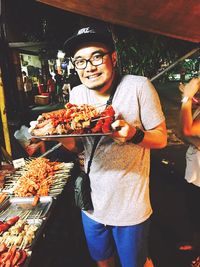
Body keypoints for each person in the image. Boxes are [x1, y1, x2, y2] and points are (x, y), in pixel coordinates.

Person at [57, 23, 167, 267]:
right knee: (102, 260)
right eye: (80, 61)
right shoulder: (76, 94)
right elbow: (78, 148)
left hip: (130, 206)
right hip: (92, 205)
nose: (89, 67)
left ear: (113, 57)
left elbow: (161, 138)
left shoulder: (139, 86)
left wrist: (134, 135)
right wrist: (59, 137)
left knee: (134, 263)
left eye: (97, 56)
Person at [179, 78, 200, 253]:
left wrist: (186, 98)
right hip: (196, 170)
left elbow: (186, 130)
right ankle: (195, 242)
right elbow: (184, 133)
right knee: (193, 209)